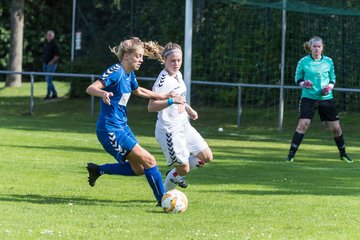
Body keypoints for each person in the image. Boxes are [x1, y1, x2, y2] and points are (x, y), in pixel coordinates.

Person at [85, 37, 176, 205]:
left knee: (139, 168)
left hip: (122, 127)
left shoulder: (129, 74)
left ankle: (98, 170)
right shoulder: (116, 72)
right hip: (110, 129)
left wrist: (163, 96)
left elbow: (138, 91)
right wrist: (103, 93)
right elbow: (91, 88)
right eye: (138, 56)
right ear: (126, 56)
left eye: (142, 57)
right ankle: (164, 201)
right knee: (150, 161)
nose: (141, 60)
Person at [148, 42, 213, 191]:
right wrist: (170, 100)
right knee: (184, 169)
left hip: (184, 125)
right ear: (165, 60)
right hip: (169, 131)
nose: (176, 64)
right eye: (172, 61)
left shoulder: (178, 74)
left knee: (207, 157)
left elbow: (179, 98)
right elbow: (151, 107)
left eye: (179, 60)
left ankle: (174, 173)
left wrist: (188, 109)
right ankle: (165, 196)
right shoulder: (163, 81)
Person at [286, 36, 352, 163]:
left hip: (326, 99)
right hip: (308, 98)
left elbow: (332, 78)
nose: (316, 48)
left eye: (319, 46)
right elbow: (297, 78)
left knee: (336, 128)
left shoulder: (328, 61)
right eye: (314, 46)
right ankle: (290, 155)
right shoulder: (303, 61)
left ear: (322, 48)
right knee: (303, 125)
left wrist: (329, 88)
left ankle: (343, 154)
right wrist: (304, 83)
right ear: (310, 47)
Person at [43, 30, 60, 100]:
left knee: (49, 79)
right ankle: (52, 93)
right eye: (48, 35)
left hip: (52, 64)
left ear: (53, 36)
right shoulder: (47, 44)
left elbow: (57, 55)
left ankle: (50, 94)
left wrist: (51, 62)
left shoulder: (55, 44)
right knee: (47, 79)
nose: (49, 36)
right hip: (45, 64)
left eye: (50, 35)